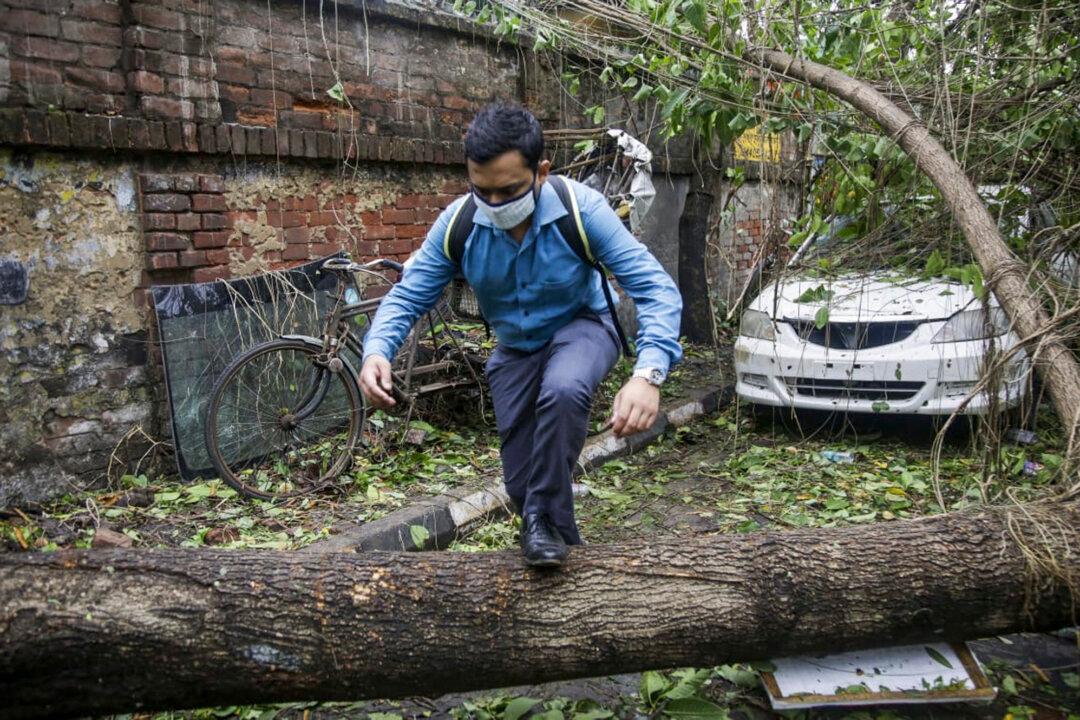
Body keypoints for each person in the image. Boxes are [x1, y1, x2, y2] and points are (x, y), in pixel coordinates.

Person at [359, 103, 682, 567]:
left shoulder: (582, 210)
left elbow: (655, 289)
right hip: (515, 348)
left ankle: (542, 522)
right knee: (522, 484)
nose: (494, 204)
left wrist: (648, 374)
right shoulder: (459, 224)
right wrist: (377, 351)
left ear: (541, 173)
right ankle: (563, 554)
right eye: (482, 190)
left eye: (508, 191)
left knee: (564, 389)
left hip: (585, 326)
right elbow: (408, 296)